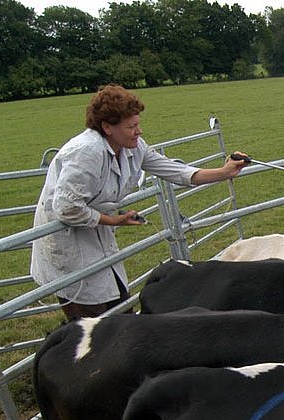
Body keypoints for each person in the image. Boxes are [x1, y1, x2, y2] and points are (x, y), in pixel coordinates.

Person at [31, 84, 249, 322]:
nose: (139, 131)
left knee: (119, 307)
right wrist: (112, 219)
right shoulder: (86, 152)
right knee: (92, 322)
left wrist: (224, 171)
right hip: (69, 242)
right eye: (131, 126)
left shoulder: (133, 148)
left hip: (98, 235)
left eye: (138, 124)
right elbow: (66, 208)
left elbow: (176, 171)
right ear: (107, 127)